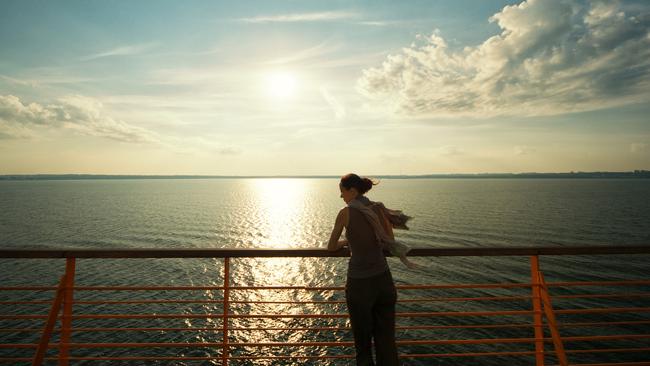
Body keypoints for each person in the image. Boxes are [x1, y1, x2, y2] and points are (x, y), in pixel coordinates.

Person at [327, 173, 400, 366]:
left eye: (342, 192)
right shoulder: (377, 209)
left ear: (352, 190)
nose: (341, 196)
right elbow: (388, 242)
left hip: (360, 285)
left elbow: (331, 246)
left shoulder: (346, 212)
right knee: (386, 342)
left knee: (363, 344)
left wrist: (348, 241)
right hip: (384, 280)